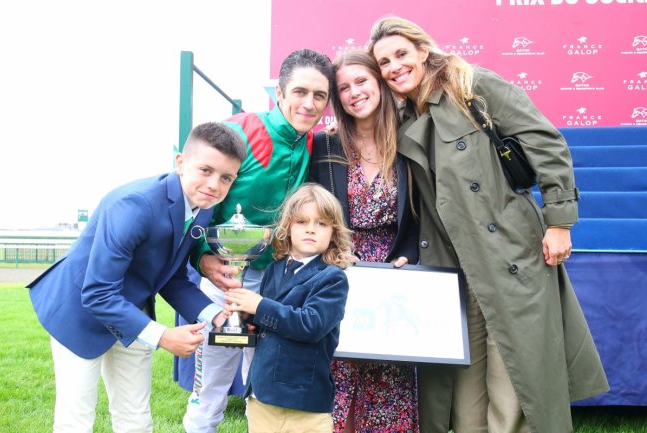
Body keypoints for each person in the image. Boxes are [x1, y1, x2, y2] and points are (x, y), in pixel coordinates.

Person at [367, 16, 609, 433]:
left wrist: (560, 222)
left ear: (423, 50)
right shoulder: (402, 115)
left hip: (508, 251)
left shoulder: (472, 83)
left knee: (515, 380)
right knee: (464, 392)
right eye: (384, 62)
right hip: (453, 265)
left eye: (401, 54)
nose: (394, 67)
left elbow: (545, 142)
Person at [27, 122, 247, 433]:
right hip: (78, 311)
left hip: (133, 310)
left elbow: (172, 276)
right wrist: (164, 336)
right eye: (205, 170)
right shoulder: (135, 205)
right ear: (181, 163)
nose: (214, 185)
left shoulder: (204, 207)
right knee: (75, 420)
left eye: (226, 178)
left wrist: (217, 316)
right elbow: (97, 293)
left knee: (135, 418)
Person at [180, 48, 334, 433]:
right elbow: (195, 200)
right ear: (279, 93)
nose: (309, 103)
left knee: (263, 385)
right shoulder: (240, 131)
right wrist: (203, 258)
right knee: (210, 385)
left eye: (319, 95)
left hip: (277, 285)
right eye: (300, 92)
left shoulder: (313, 143)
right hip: (225, 280)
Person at [309, 49, 419, 433]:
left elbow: (426, 209)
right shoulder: (325, 145)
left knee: (389, 377)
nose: (354, 93)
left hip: (394, 273)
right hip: (340, 270)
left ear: (380, 83)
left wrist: (409, 254)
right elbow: (313, 208)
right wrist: (334, 252)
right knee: (338, 374)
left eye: (361, 81)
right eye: (344, 88)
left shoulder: (410, 139)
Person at [224, 183, 353, 433]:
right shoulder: (274, 269)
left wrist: (259, 306)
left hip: (304, 402)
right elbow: (268, 323)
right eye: (302, 222)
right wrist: (245, 320)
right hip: (262, 396)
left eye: (321, 223)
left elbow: (310, 325)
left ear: (334, 234)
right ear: (288, 228)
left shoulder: (332, 278)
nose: (311, 229)